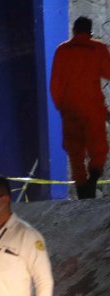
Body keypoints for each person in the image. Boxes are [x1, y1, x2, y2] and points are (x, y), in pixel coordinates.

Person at [50, 16, 110, 199]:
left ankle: (82, 188)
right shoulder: (98, 48)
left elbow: (55, 84)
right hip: (93, 108)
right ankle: (94, 175)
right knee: (98, 147)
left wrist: (61, 106)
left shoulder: (62, 50)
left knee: (75, 150)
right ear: (90, 32)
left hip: (70, 110)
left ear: (74, 30)